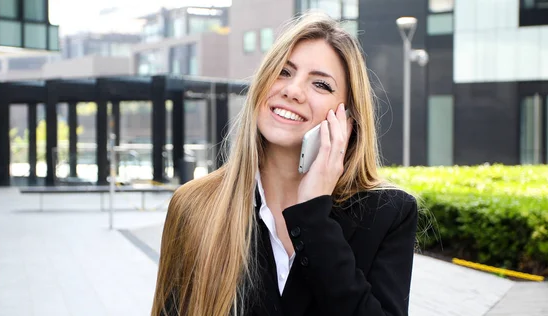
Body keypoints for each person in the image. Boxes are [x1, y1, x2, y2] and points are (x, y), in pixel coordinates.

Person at [152, 12, 418, 316]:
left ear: (348, 119)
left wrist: (314, 219)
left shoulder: (387, 213)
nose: (292, 91)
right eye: (283, 72)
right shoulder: (195, 205)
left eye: (320, 84)